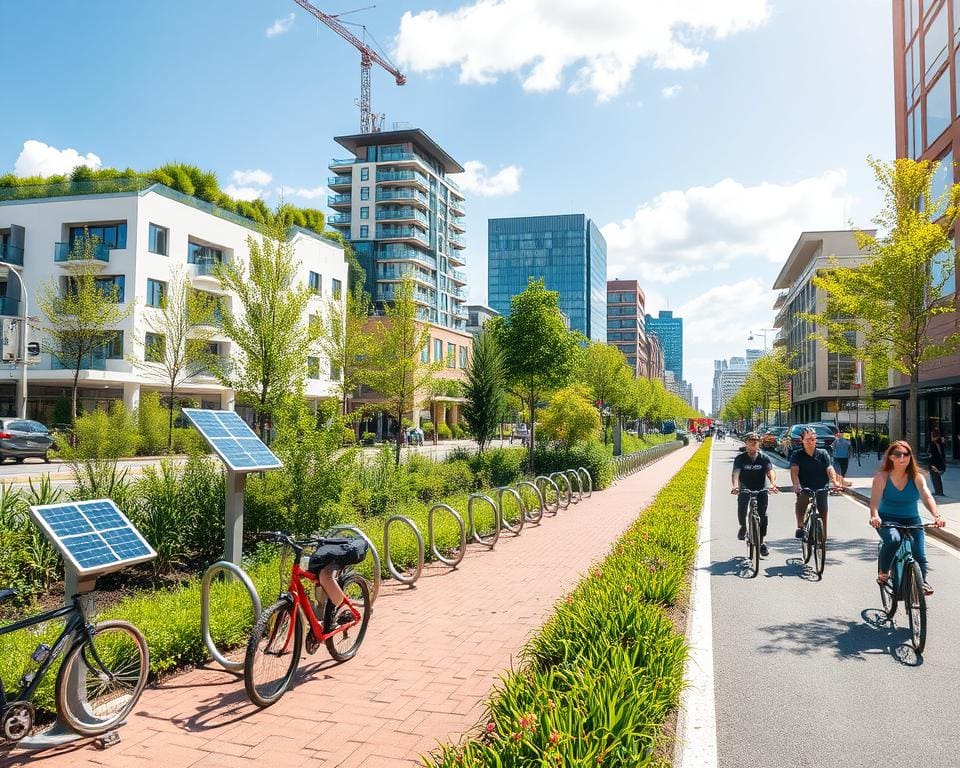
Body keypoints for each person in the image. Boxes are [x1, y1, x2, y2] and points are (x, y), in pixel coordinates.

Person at [869, 440, 945, 595]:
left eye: (906, 454)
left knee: (919, 553)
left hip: (912, 519)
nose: (902, 457)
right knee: (893, 540)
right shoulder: (882, 477)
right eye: (898, 454)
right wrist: (874, 516)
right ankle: (884, 573)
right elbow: (874, 502)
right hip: (887, 518)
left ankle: (921, 582)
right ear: (891, 457)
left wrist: (937, 515)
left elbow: (927, 497)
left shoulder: (917, 477)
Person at [731, 432, 780, 557]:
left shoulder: (764, 457)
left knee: (763, 516)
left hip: (761, 488)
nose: (753, 442)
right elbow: (736, 473)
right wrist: (736, 486)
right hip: (745, 488)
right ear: (746, 442)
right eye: (751, 440)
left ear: (759, 443)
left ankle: (761, 542)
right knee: (742, 508)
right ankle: (743, 526)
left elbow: (770, 471)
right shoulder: (740, 458)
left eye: (756, 440)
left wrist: (773, 483)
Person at [789, 426, 842, 540]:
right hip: (805, 486)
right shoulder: (797, 454)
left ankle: (823, 539)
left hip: (821, 486)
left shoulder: (823, 453)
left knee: (823, 510)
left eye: (813, 439)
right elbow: (794, 471)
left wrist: (835, 481)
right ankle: (800, 526)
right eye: (808, 439)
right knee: (802, 501)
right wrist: (796, 485)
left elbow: (829, 468)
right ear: (802, 440)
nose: (811, 442)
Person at [928, 428, 946, 496]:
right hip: (940, 464)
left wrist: (932, 465)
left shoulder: (933, 444)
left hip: (934, 465)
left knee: (935, 479)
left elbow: (931, 455)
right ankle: (939, 491)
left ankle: (939, 492)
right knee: (937, 479)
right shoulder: (940, 443)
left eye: (932, 435)